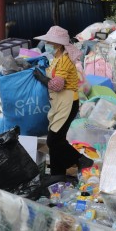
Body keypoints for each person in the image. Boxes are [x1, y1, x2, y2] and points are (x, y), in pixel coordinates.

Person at [34, 25, 92, 176]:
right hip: (59, 103)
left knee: (53, 140)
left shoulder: (65, 60)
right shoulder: (56, 59)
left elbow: (57, 85)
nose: (47, 45)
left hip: (67, 102)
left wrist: (41, 78)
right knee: (55, 141)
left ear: (58, 44)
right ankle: (57, 175)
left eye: (50, 42)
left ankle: (80, 159)